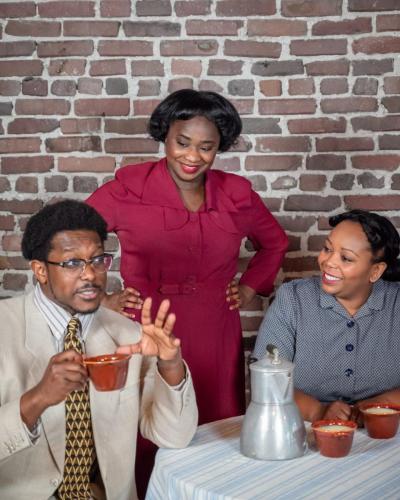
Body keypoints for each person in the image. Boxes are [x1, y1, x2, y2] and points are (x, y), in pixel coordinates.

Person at [87, 88, 288, 497]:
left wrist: (250, 287)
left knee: (217, 424)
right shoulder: (126, 189)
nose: (193, 156)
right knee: (149, 421)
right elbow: (69, 238)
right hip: (144, 326)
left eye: (207, 147)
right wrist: (98, 298)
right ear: (165, 135)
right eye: (182, 143)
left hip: (215, 326)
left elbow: (275, 243)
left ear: (220, 148)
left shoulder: (236, 194)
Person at [0, 200, 198, 500]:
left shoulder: (128, 334)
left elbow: (175, 436)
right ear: (40, 270)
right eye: (72, 263)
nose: (90, 274)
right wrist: (37, 399)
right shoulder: (5, 328)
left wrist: (170, 365)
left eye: (97, 260)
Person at [253, 209, 400, 424]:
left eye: (346, 258)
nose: (328, 261)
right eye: (327, 249)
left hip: (388, 431)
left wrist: (382, 403)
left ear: (375, 271)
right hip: (302, 428)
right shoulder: (293, 299)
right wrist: (317, 412)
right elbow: (264, 378)